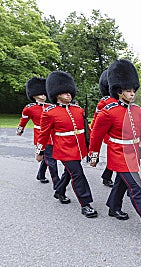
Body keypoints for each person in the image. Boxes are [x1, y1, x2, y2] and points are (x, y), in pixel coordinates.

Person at [88, 59, 141, 238]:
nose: (132, 94)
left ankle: (113, 207)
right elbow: (96, 136)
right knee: (137, 189)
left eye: (133, 91)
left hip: (133, 154)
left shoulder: (137, 110)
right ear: (119, 91)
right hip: (118, 154)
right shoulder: (108, 111)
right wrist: (93, 155)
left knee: (121, 183)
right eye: (128, 91)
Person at [35, 71, 97, 218]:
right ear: (56, 94)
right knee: (78, 174)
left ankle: (59, 191)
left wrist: (91, 148)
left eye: (70, 91)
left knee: (69, 173)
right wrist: (40, 151)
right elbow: (43, 134)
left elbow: (86, 131)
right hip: (64, 149)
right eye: (64, 92)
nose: (69, 94)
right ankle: (85, 204)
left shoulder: (78, 110)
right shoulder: (49, 112)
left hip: (79, 148)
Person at [17, 77, 60, 187]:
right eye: (41, 93)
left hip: (52, 135)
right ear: (34, 95)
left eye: (44, 93)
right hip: (40, 135)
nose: (44, 95)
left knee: (47, 156)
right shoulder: (29, 108)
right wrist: (20, 130)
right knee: (51, 159)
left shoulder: (51, 106)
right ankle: (57, 183)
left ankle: (40, 175)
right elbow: (23, 120)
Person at [90, 69, 117, 187]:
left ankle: (107, 176)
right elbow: (98, 120)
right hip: (111, 133)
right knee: (117, 158)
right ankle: (108, 177)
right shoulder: (107, 101)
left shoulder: (109, 100)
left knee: (117, 158)